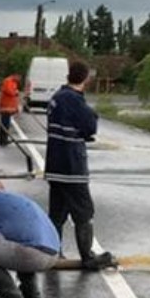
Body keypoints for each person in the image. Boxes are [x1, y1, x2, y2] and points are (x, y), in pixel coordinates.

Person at [43, 57, 111, 271]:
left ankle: (54, 251)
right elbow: (90, 125)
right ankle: (87, 256)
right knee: (84, 212)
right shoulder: (73, 99)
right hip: (72, 166)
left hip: (54, 165)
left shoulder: (56, 97)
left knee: (57, 213)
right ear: (86, 79)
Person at [0, 68, 25, 149]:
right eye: (19, 77)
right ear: (15, 75)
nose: (19, 79)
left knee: (7, 124)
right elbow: (10, 92)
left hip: (9, 107)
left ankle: (5, 139)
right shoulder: (8, 81)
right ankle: (3, 140)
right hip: (5, 107)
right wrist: (16, 92)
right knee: (4, 124)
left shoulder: (13, 82)